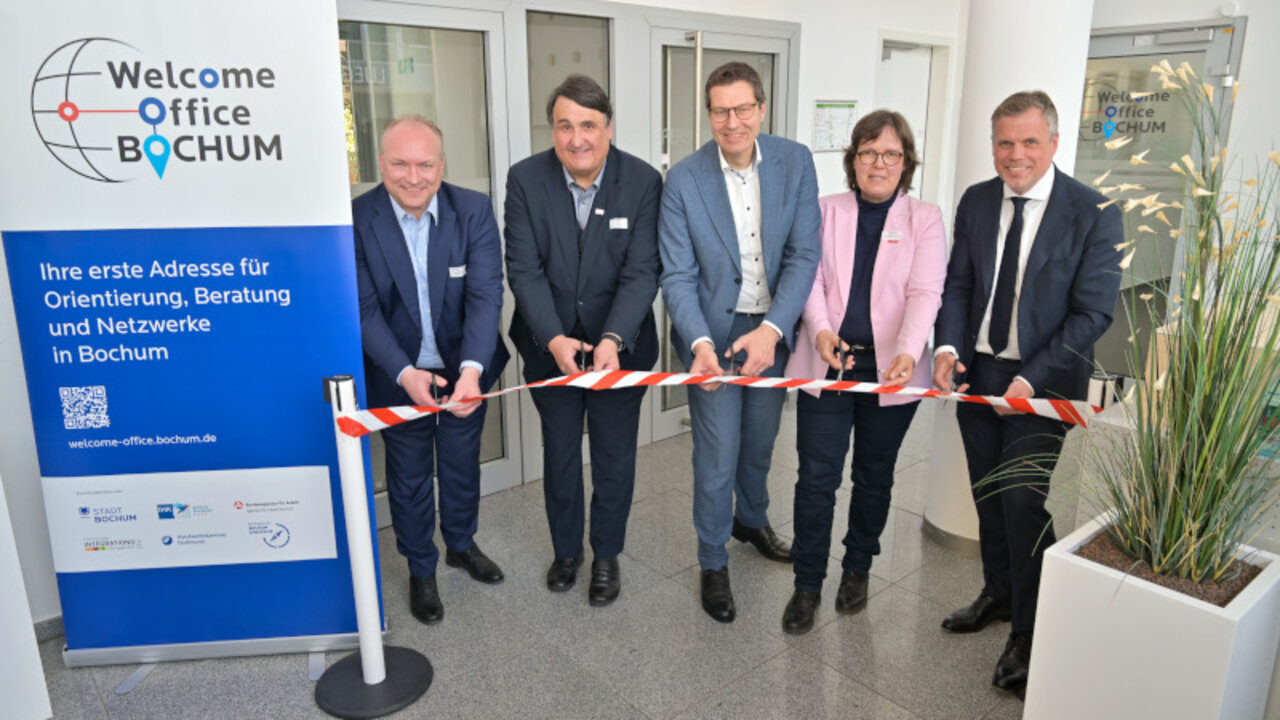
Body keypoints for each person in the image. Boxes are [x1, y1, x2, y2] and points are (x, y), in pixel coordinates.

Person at [932, 91, 1122, 695]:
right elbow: (958, 285)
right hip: (980, 376)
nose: (1015, 155)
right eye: (1005, 143)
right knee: (987, 493)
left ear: (1054, 143)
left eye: (1029, 142)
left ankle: (1029, 627)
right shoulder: (978, 201)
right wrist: (948, 350)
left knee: (1020, 497)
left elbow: (1092, 314)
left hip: (1044, 386)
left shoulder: (1093, 210)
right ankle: (999, 591)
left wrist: (1030, 376)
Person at [659, 61, 820, 623]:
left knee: (760, 440)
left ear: (761, 108)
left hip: (771, 329)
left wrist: (773, 330)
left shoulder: (795, 162)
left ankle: (750, 520)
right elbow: (677, 275)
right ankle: (711, 558)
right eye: (721, 111)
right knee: (718, 452)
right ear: (708, 115)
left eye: (742, 108)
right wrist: (699, 341)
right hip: (713, 335)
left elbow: (803, 254)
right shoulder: (683, 179)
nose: (732, 122)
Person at [780, 110, 946, 635]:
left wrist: (908, 348)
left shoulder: (925, 218)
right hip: (828, 364)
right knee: (816, 481)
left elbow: (925, 292)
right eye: (868, 152)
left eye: (890, 154)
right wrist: (822, 329)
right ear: (853, 160)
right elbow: (806, 278)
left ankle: (857, 569)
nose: (879, 163)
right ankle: (807, 583)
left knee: (874, 478)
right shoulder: (824, 210)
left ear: (905, 163)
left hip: (891, 373)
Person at [505, 75, 662, 606]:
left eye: (588, 125)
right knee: (562, 454)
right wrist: (552, 338)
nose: (577, 139)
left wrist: (614, 337)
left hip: (622, 348)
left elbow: (642, 272)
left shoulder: (641, 182)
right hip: (550, 350)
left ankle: (606, 555)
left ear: (608, 127)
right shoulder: (525, 180)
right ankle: (567, 551)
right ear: (553, 129)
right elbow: (523, 272)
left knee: (615, 456)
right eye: (565, 126)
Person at [352, 115, 510, 625]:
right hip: (395, 371)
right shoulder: (357, 218)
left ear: (442, 165)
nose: (413, 176)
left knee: (463, 463)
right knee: (410, 475)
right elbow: (364, 310)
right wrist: (403, 372)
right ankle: (421, 568)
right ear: (382, 163)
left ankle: (461, 546)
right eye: (400, 163)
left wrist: (471, 372)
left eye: (425, 164)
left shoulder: (474, 210)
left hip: (464, 365)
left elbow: (487, 296)